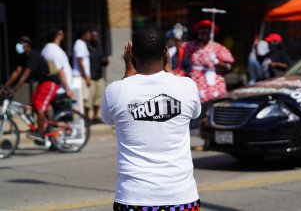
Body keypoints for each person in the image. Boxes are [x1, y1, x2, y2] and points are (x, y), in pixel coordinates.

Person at [101, 26, 201, 211]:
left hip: (133, 198)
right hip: (181, 196)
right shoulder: (188, 86)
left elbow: (107, 119)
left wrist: (128, 74)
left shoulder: (114, 90)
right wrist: (170, 71)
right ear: (165, 52)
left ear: (131, 54)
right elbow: (195, 113)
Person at [4, 36, 60, 142]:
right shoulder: (23, 57)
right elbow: (17, 72)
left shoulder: (33, 56)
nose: (18, 45)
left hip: (50, 82)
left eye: (21, 43)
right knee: (33, 105)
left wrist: (15, 89)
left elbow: (25, 74)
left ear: (27, 45)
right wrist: (6, 86)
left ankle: (40, 132)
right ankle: (46, 127)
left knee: (39, 106)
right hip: (42, 83)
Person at [183, 19, 235, 102]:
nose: (203, 34)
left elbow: (228, 66)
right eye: (201, 32)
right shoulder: (192, 45)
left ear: (211, 34)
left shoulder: (217, 47)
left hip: (212, 78)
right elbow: (180, 49)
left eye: (206, 32)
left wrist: (216, 61)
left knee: (214, 100)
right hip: (195, 78)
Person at [41, 29, 74, 106]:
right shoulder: (53, 50)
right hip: (60, 91)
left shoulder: (47, 49)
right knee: (64, 116)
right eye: (61, 35)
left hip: (58, 90)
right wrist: (67, 89)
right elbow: (59, 71)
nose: (63, 37)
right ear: (58, 36)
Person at [87, 30, 108, 123]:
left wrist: (105, 60)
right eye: (94, 36)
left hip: (99, 77)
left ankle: (95, 117)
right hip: (90, 78)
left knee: (98, 99)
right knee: (88, 100)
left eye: (97, 37)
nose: (96, 38)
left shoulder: (99, 48)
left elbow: (105, 62)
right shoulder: (86, 48)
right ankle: (87, 118)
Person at [72, 29, 92, 118]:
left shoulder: (83, 44)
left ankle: (82, 119)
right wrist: (85, 76)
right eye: (88, 34)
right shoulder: (79, 44)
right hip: (80, 76)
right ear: (83, 34)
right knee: (81, 100)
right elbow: (80, 61)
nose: (89, 36)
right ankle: (81, 119)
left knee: (84, 100)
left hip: (83, 76)